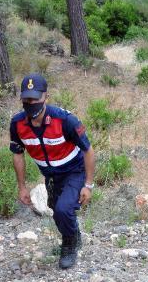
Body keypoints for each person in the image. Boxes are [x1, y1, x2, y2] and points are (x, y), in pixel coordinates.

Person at [9, 73, 96, 269]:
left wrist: (88, 185)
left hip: (74, 171)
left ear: (45, 97)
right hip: (50, 176)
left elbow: (88, 150)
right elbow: (17, 154)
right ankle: (74, 234)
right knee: (57, 212)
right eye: (26, 99)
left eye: (35, 98)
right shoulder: (17, 124)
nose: (30, 103)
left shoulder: (65, 120)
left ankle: (69, 245)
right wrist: (22, 187)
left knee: (64, 209)